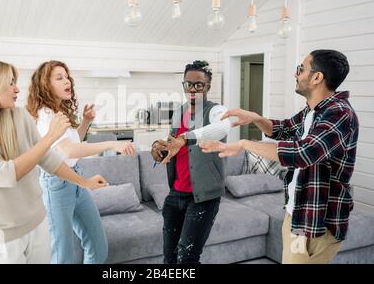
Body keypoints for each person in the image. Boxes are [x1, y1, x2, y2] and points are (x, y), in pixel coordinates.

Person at [0, 58, 107, 264]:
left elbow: (48, 159)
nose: (17, 89)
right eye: (10, 82)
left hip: (37, 224)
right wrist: (50, 138)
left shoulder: (18, 116)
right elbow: (4, 174)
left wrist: (84, 182)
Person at [201, 50, 359, 264]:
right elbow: (283, 129)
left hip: (317, 225)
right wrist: (255, 118)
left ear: (317, 77)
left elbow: (302, 153)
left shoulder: (339, 114)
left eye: (301, 69)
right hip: (298, 215)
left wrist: (245, 144)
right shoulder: (312, 112)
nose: (296, 74)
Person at [26, 60, 136, 264]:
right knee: (62, 256)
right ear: (45, 85)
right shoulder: (45, 114)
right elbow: (68, 150)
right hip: (56, 185)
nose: (67, 81)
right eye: (59, 78)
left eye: (67, 76)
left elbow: (71, 144)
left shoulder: (60, 111)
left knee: (98, 246)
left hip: (75, 180)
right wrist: (111, 144)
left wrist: (85, 121)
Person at [151, 60, 231, 264]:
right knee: (170, 259)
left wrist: (185, 138)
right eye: (188, 84)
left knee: (187, 258)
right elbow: (172, 144)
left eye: (199, 85)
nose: (193, 89)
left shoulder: (215, 111)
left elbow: (223, 128)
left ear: (208, 87)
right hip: (175, 195)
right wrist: (159, 149)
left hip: (202, 199)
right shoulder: (180, 111)